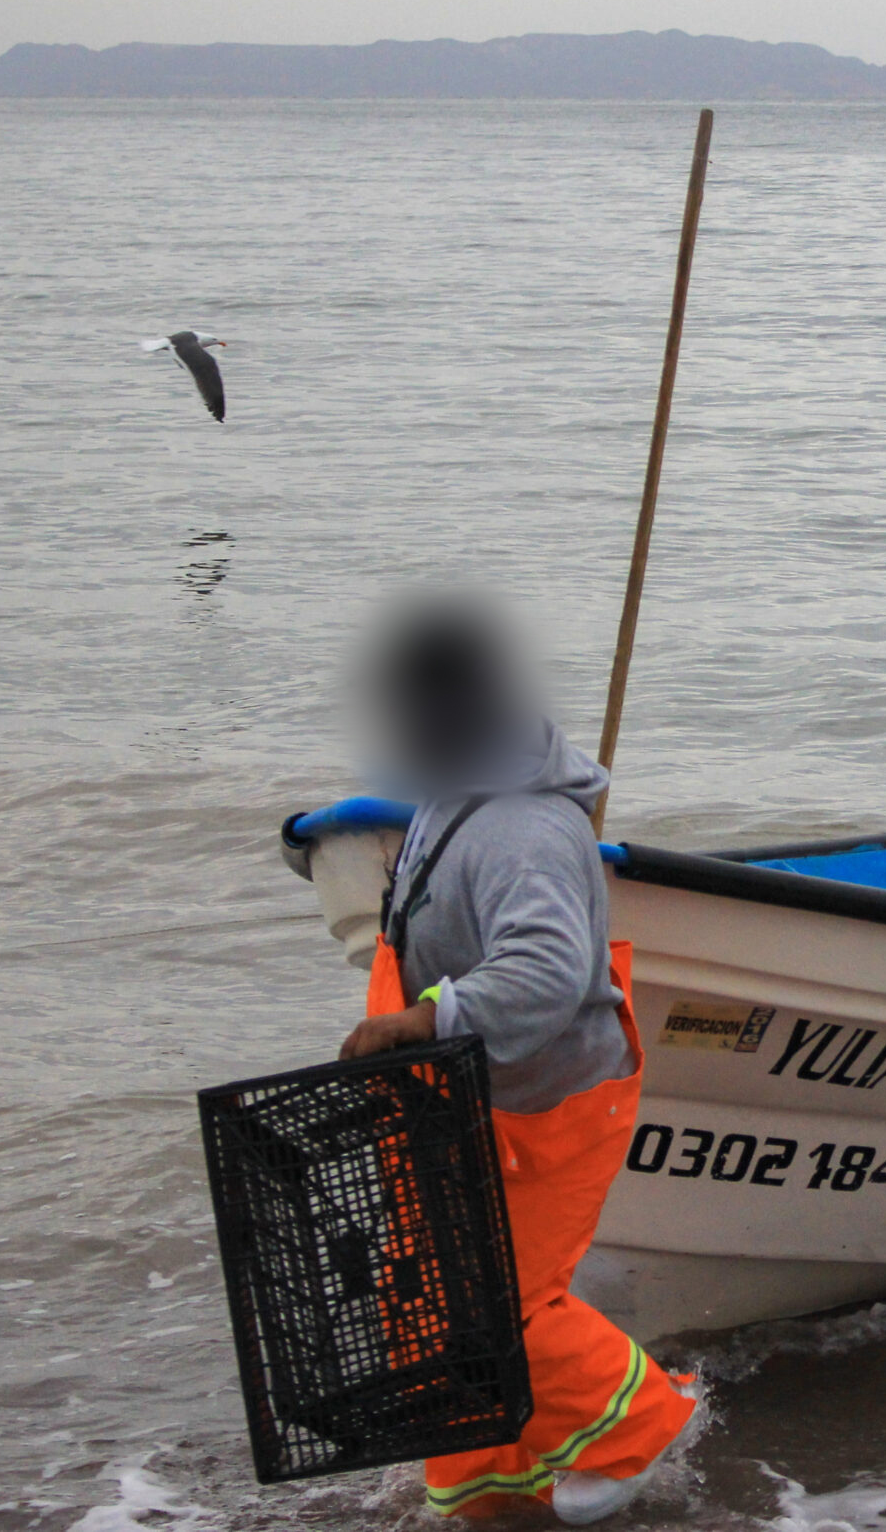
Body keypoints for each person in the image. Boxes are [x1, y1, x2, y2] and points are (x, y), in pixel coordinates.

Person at [339, 597, 698, 1524]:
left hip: (548, 1108)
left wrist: (423, 1023)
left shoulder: (524, 829)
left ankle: (642, 1429)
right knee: (436, 1305)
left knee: (502, 1307)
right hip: (468, 1101)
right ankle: (495, 1488)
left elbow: (544, 974)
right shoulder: (449, 797)